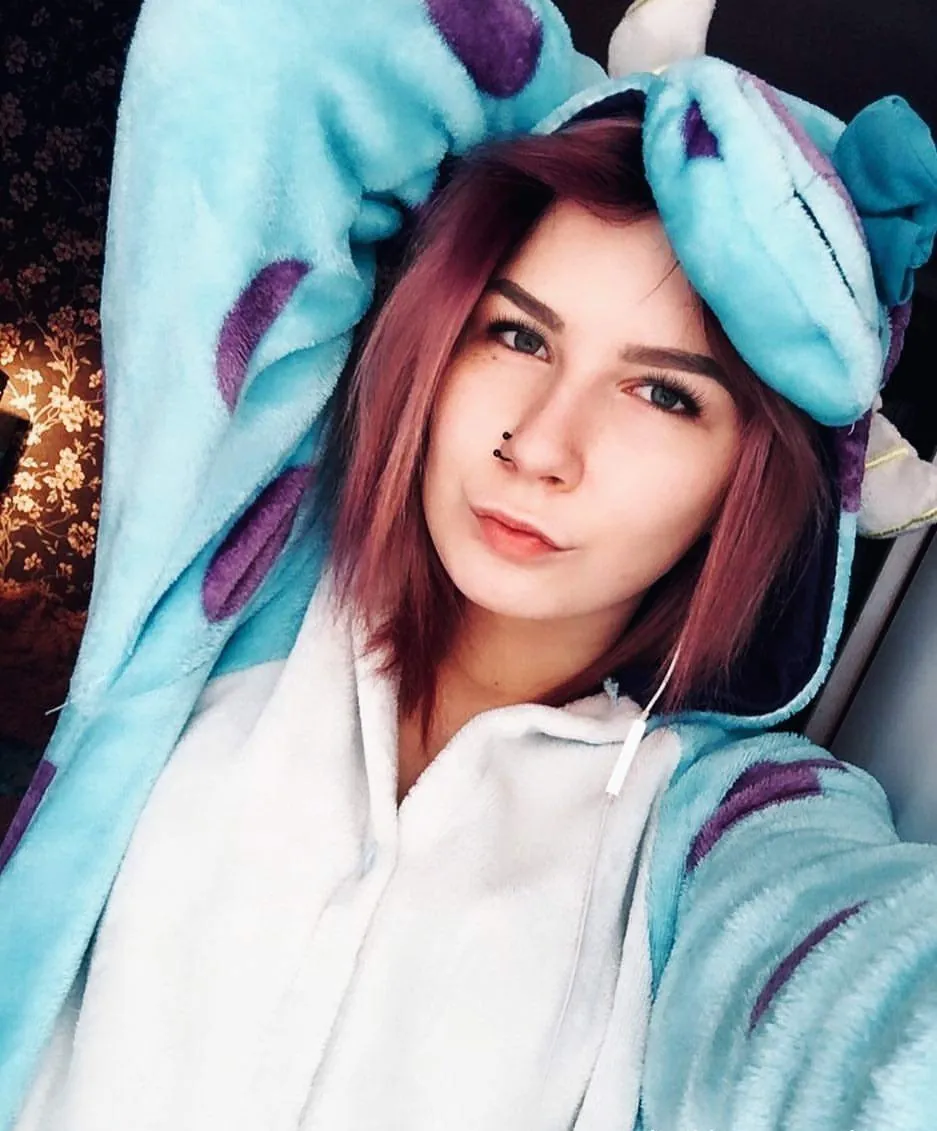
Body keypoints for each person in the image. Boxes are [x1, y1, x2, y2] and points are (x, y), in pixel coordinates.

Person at [2, 0, 937, 1128]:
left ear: (750, 482)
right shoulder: (237, 590)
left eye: (662, 392)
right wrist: (606, 118)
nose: (539, 446)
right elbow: (259, 38)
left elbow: (876, 1028)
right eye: (517, 335)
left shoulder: (718, 835)